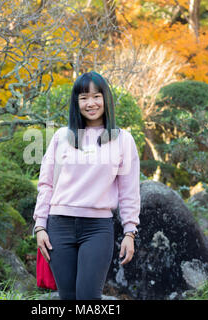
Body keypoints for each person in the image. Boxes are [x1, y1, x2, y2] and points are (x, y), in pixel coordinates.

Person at [33, 71, 140, 300]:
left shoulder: (123, 140)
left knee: (89, 298)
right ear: (76, 102)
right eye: (83, 98)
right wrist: (40, 226)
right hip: (59, 227)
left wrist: (130, 231)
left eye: (96, 96)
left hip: (98, 229)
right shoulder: (61, 136)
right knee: (68, 297)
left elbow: (129, 191)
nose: (90, 103)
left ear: (105, 99)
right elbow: (46, 184)